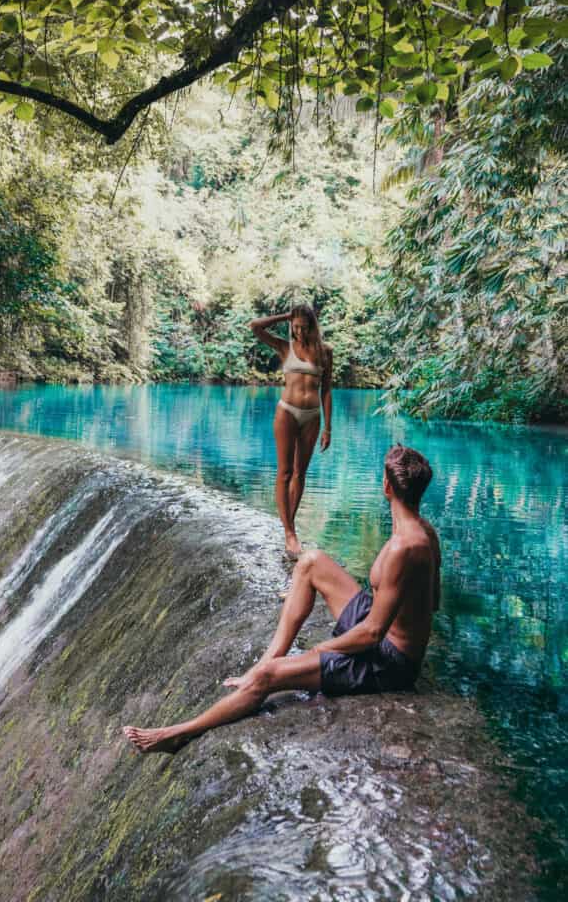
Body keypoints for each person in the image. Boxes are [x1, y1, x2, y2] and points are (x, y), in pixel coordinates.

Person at [123, 444, 440, 755]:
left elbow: (372, 633)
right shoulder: (423, 531)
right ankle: (269, 657)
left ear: (386, 486)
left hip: (389, 663)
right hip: (379, 630)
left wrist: (321, 650)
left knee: (268, 678)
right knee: (311, 561)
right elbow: (432, 603)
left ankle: (178, 734)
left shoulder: (404, 547)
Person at [249, 304, 333, 559]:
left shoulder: (325, 352)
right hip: (286, 412)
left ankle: (289, 525)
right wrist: (287, 315)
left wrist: (328, 427)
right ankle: (290, 533)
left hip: (312, 417)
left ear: (311, 325)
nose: (297, 331)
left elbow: (326, 391)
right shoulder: (285, 347)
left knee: (300, 473)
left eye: (302, 326)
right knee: (284, 472)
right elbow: (255, 326)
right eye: (294, 327)